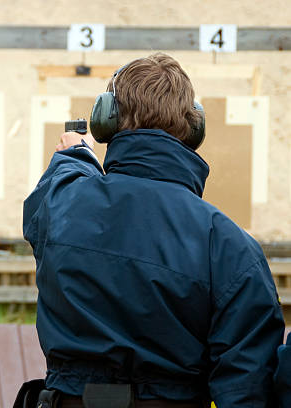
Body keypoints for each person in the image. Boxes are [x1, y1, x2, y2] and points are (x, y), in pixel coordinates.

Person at [19, 53, 285, 408]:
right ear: (194, 128)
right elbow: (246, 388)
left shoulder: (63, 202)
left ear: (106, 120)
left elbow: (48, 198)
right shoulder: (229, 244)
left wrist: (76, 157)